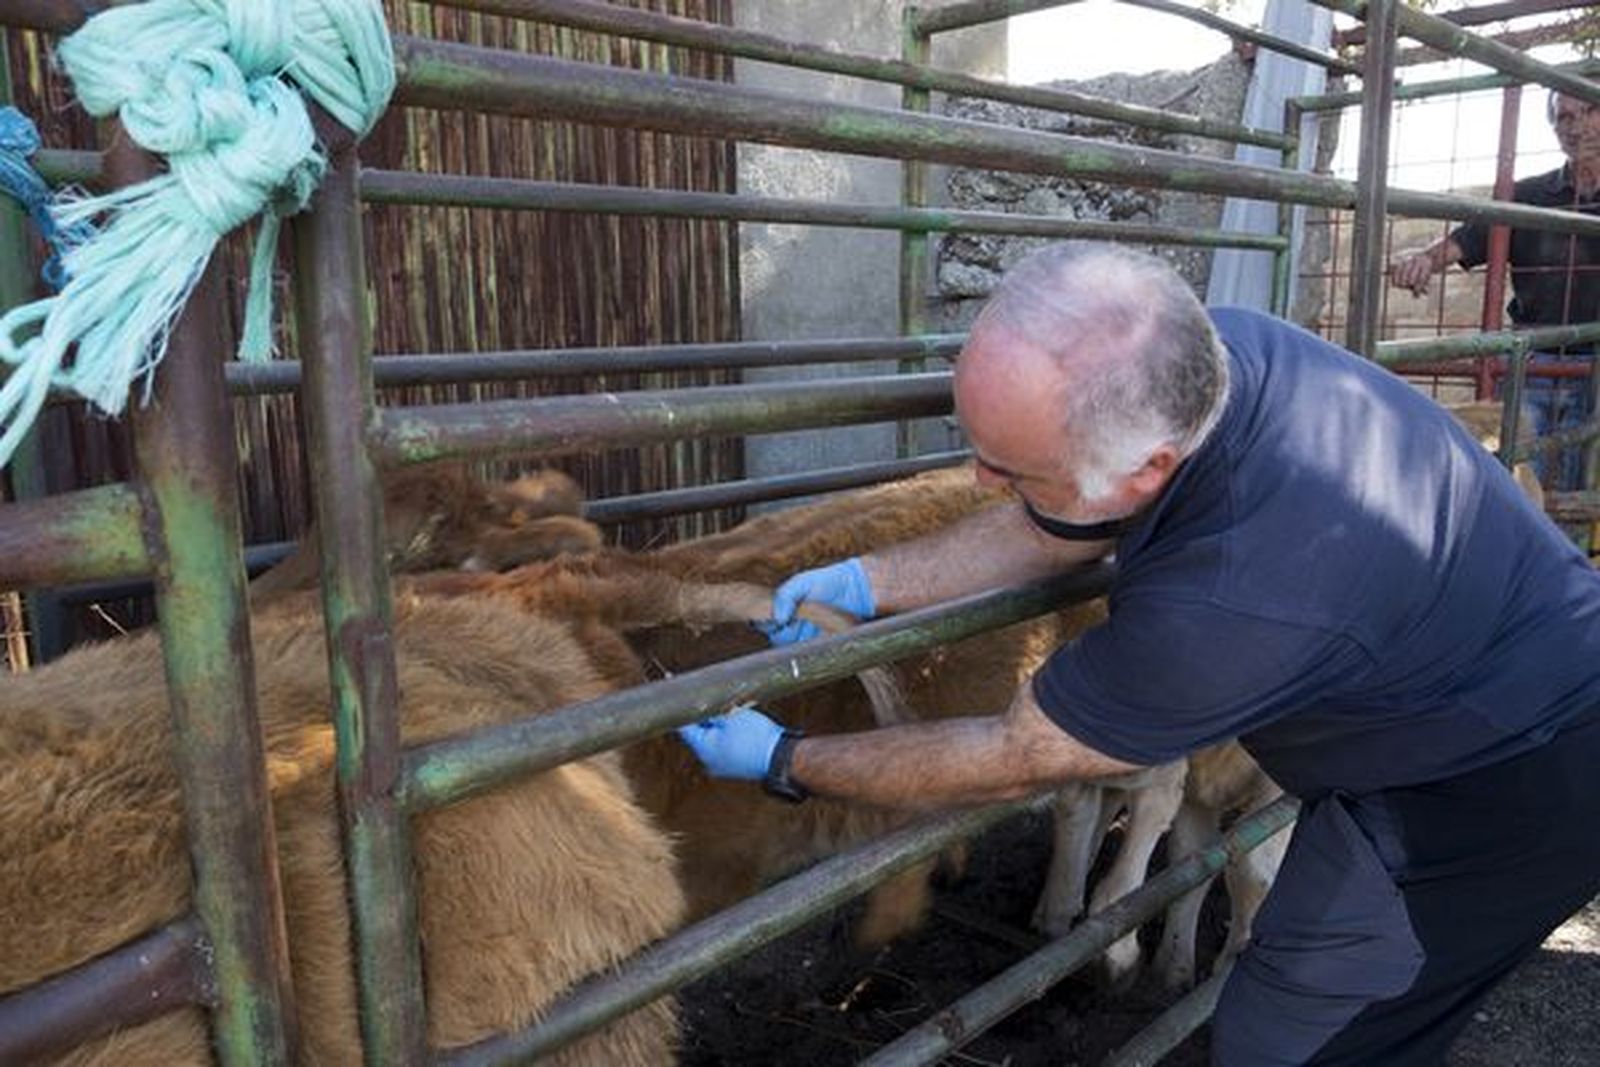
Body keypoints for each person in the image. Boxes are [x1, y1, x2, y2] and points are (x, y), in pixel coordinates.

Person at [677, 242, 1600, 1065]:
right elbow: (1057, 521)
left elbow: (1016, 756)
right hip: (1477, 686)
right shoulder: (1209, 354)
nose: (979, 481)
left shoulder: (1225, 599)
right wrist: (867, 578)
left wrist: (788, 758)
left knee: (1295, 1038)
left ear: (1148, 468)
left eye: (1011, 469)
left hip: (1499, 786)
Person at [1389, 87, 1600, 489]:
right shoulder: (1528, 194)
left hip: (1596, 361)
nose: (1576, 126)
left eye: (1589, 111)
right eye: (1564, 117)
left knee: (1582, 484)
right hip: (1533, 358)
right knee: (1517, 477)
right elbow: (1465, 240)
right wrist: (1423, 260)